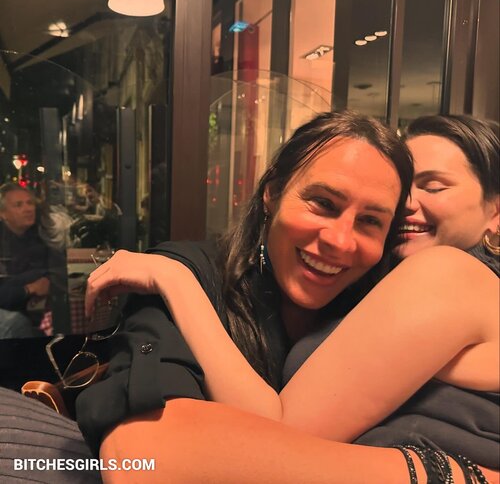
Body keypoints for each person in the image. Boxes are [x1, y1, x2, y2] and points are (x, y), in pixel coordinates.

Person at [80, 112, 498, 483]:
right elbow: (145, 455)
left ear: (496, 211)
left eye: (434, 186)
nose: (408, 205)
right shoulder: (202, 274)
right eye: (323, 203)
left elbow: (279, 439)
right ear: (273, 192)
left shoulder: (433, 279)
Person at [0, 183, 50, 338]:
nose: (28, 209)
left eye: (30, 203)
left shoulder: (35, 235)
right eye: (18, 205)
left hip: (31, 309)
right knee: (17, 324)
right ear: (3, 214)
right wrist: (30, 289)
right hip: (12, 315)